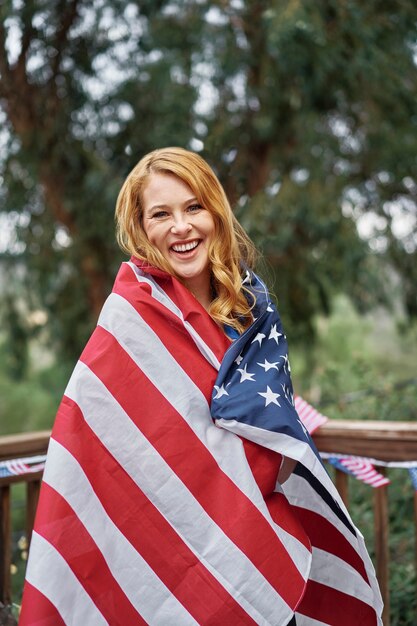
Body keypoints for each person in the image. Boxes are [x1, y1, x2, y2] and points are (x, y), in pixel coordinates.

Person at [20, 147, 382, 625]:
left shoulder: (250, 311)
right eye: (161, 214)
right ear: (141, 227)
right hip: (169, 557)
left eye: (194, 207)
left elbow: (269, 428)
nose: (181, 227)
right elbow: (97, 439)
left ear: (216, 212)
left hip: (258, 535)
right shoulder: (129, 319)